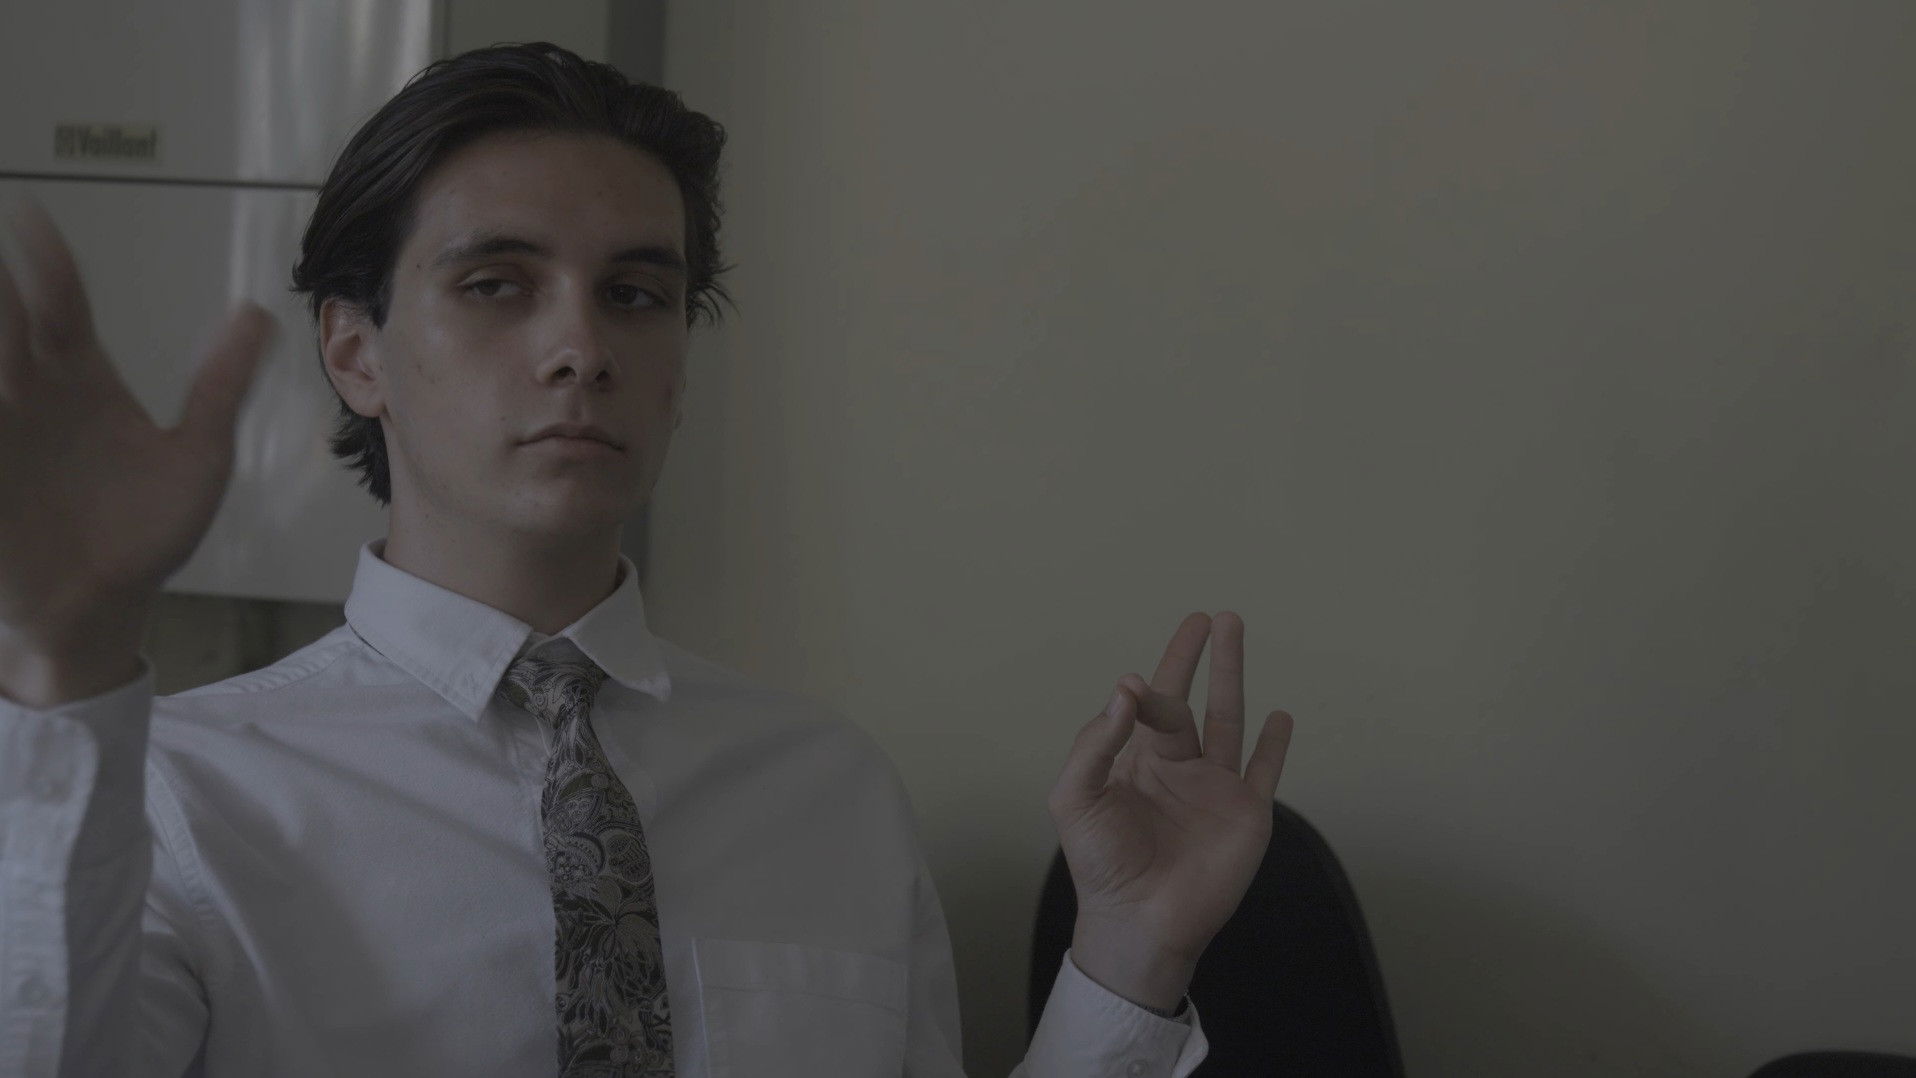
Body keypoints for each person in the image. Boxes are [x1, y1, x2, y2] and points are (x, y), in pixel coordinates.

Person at [0, 42, 1293, 1077]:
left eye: (634, 293)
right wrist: (69, 657)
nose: (581, 348)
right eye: (497, 283)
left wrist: (1129, 959)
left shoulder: (826, 786)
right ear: (355, 351)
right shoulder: (174, 796)